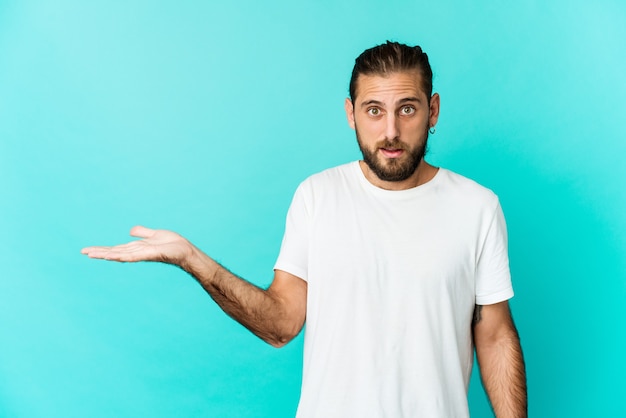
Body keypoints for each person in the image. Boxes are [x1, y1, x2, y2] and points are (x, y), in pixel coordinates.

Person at [82, 41, 527, 417]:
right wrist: (193, 260)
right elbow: (281, 324)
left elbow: (494, 333)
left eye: (406, 109)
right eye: (374, 110)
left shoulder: (476, 207)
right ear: (351, 114)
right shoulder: (317, 196)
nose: (390, 131)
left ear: (432, 110)